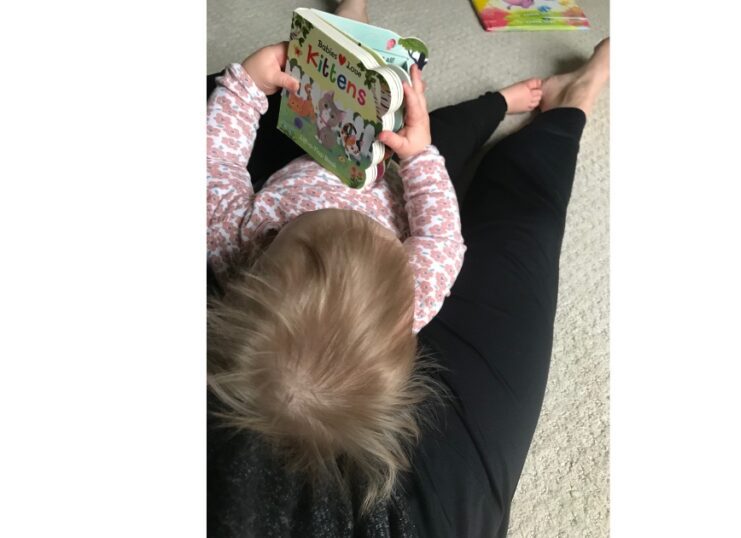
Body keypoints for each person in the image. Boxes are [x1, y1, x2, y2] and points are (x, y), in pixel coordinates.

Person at [207, 1, 610, 536]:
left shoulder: (229, 240)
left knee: (356, 80)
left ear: (254, 270)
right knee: (415, 130)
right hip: (389, 172)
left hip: (319, 147)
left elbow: (216, 161)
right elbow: (441, 231)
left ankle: (355, 25)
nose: (347, 209)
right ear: (409, 329)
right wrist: (419, 161)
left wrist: (244, 87)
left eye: (302, 226)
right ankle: (519, 102)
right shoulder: (418, 290)